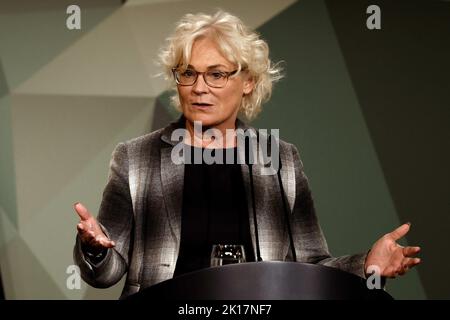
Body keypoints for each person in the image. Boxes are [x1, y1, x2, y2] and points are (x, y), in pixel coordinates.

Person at [73, 11, 421, 299]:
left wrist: (367, 267)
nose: (199, 87)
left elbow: (310, 266)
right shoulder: (135, 158)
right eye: (188, 73)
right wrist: (95, 248)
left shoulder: (281, 160)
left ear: (249, 81)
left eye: (217, 74)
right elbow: (106, 274)